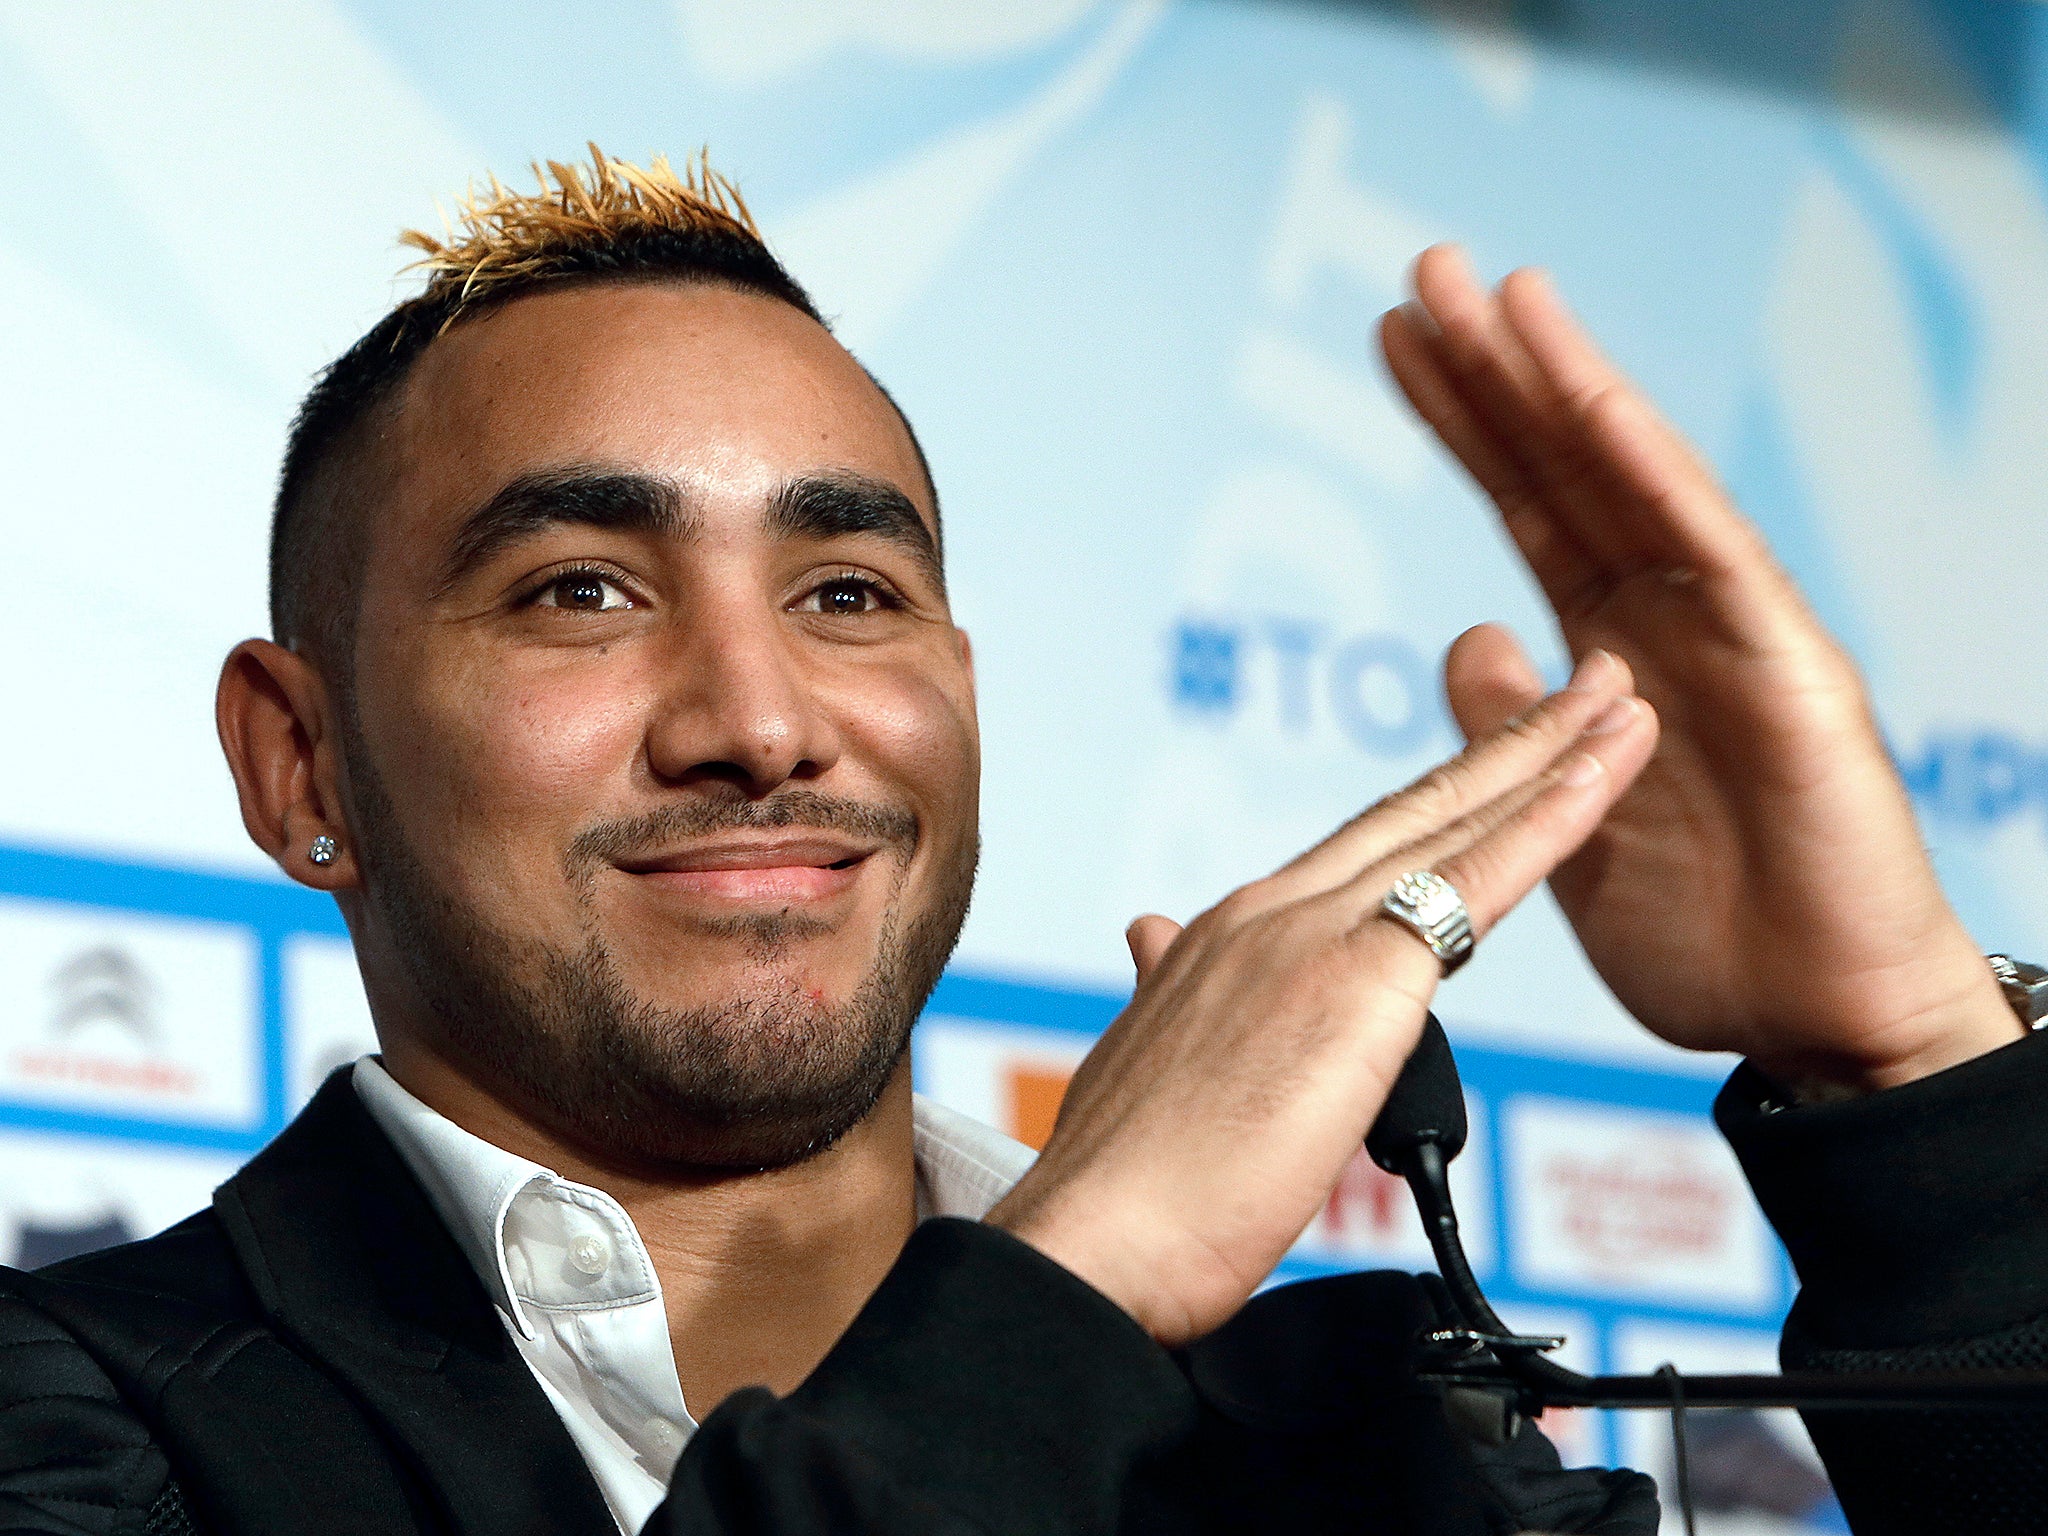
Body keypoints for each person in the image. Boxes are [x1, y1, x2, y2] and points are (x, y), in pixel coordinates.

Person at [0, 146, 2022, 1534]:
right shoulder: (76, 1420)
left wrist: (1913, 1086)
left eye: (850, 594)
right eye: (581, 593)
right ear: (300, 767)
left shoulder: (1368, 1454)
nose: (759, 721)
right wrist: (1075, 1279)